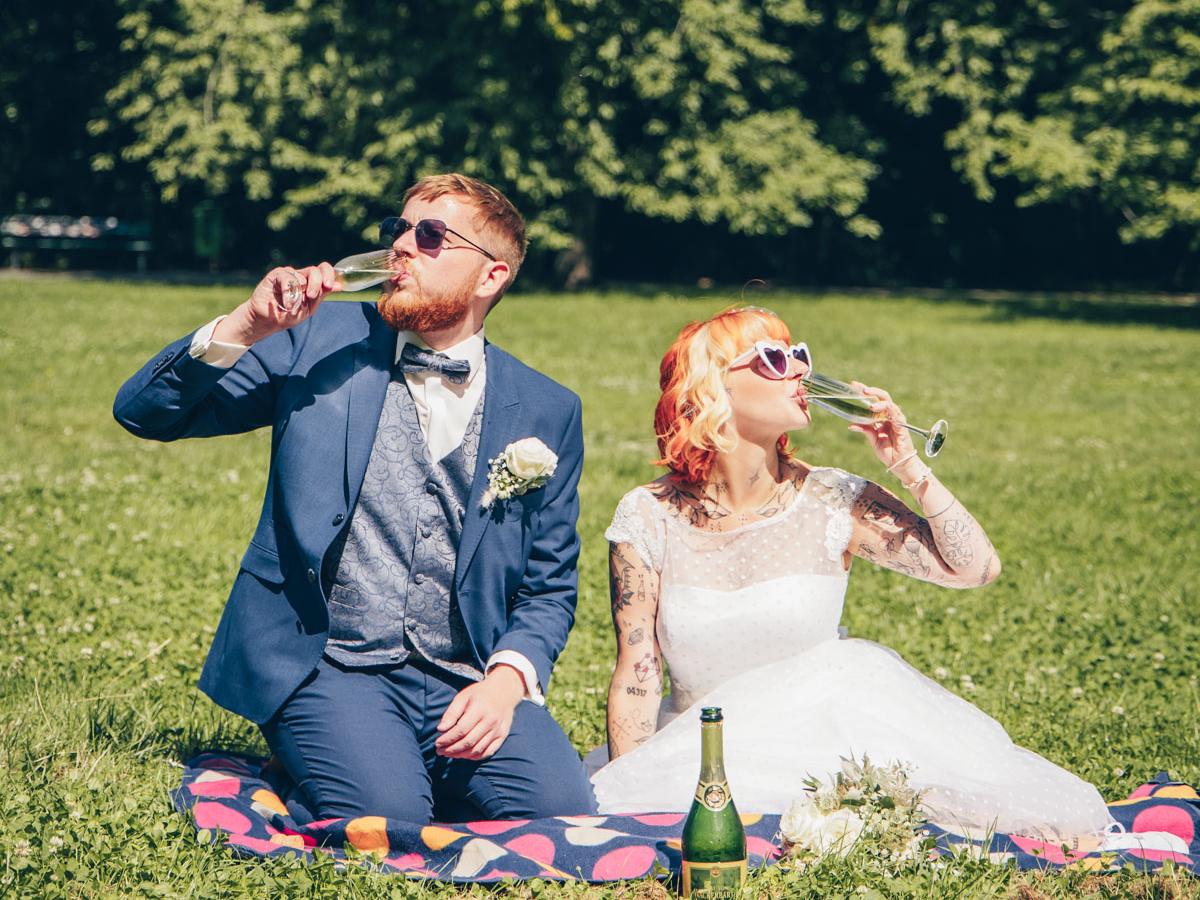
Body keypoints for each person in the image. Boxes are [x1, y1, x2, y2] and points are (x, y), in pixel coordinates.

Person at [114, 174, 597, 825]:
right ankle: (348, 753)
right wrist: (249, 324)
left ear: (491, 277)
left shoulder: (547, 408)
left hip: (467, 676)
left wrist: (505, 685)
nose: (401, 246)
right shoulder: (318, 339)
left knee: (561, 812)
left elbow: (549, 586)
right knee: (387, 820)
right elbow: (146, 413)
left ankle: (383, 758)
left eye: (429, 236)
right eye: (395, 229)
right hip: (331, 663)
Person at [590, 306, 1112, 844]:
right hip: (705, 748)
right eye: (773, 358)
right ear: (710, 389)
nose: (799, 371)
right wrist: (632, 789)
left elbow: (975, 569)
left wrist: (907, 464)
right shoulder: (647, 516)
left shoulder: (833, 499)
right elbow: (638, 669)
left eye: (800, 355)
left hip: (824, 740)